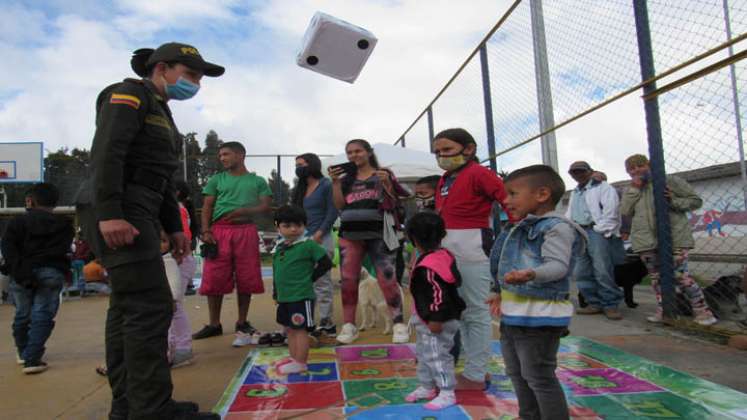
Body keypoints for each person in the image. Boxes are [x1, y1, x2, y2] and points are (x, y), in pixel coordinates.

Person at [81, 42, 223, 419]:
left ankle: (130, 405)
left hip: (140, 205)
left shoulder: (161, 110)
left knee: (129, 308)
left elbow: (160, 176)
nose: (195, 84)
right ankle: (151, 409)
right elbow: (108, 151)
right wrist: (110, 212)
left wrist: (174, 226)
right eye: (191, 74)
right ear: (162, 68)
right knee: (149, 306)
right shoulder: (127, 94)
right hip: (120, 205)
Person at [487, 165, 586, 420]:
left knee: (539, 375)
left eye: (513, 193)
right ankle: (528, 415)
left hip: (541, 317)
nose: (506, 200)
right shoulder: (516, 227)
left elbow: (558, 266)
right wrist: (499, 292)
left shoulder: (556, 227)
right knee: (517, 373)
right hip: (514, 316)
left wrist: (530, 273)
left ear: (542, 194)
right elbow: (504, 266)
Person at [432, 127, 510, 390]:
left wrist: (519, 231)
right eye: (438, 152)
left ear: (469, 149)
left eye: (447, 150)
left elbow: (509, 201)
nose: (441, 156)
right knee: (462, 310)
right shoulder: (445, 179)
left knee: (475, 311)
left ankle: (476, 374)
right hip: (447, 248)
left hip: (472, 246)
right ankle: (474, 368)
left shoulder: (479, 173)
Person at [329, 139, 410, 344]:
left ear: (368, 152)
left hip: (379, 234)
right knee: (348, 280)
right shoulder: (345, 179)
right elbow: (339, 205)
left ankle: (399, 323)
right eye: (349, 152)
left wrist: (387, 183)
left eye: (358, 151)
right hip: (350, 234)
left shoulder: (383, 173)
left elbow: (397, 199)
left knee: (387, 278)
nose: (354, 155)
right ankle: (349, 325)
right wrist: (336, 183)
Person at [620, 154, 717, 326]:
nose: (636, 171)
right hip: (646, 240)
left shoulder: (670, 181)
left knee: (680, 275)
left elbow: (695, 201)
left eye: (639, 166)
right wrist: (635, 189)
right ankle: (665, 309)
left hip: (675, 237)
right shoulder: (630, 189)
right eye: (631, 169)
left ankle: (702, 311)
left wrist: (673, 200)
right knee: (656, 278)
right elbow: (625, 210)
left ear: (648, 165)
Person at [194, 141, 272, 345]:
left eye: (226, 154)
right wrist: (206, 230)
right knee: (214, 277)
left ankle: (242, 321)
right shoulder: (216, 180)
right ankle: (214, 324)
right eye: (220, 155)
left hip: (246, 231)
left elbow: (265, 206)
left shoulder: (258, 181)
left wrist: (244, 211)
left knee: (247, 276)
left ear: (240, 155)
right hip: (220, 231)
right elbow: (207, 206)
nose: (222, 158)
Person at [1, 183, 74, 374]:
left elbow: (8, 249)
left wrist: (19, 269)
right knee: (43, 313)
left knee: (22, 314)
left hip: (21, 271)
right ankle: (32, 358)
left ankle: (23, 352)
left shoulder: (16, 223)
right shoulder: (64, 225)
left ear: (30, 200)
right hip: (51, 270)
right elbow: (63, 251)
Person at [404, 212, 466, 410]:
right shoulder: (443, 256)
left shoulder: (429, 266)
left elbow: (438, 294)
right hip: (426, 318)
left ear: (413, 239)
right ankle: (427, 386)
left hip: (437, 320)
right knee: (424, 353)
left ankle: (447, 391)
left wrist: (436, 318)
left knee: (438, 355)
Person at [270, 206, 332, 374]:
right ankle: (293, 358)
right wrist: (276, 293)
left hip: (301, 296)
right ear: (278, 227)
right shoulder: (279, 248)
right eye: (287, 225)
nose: (293, 229)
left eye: (298, 224)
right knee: (289, 329)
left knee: (300, 330)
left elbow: (326, 262)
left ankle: (300, 361)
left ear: (304, 225)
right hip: (285, 298)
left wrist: (310, 277)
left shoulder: (308, 245)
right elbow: (277, 273)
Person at [565, 161, 625, 320]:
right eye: (574, 173)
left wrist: (601, 229)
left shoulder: (603, 187)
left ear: (590, 171)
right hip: (579, 232)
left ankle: (610, 304)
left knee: (602, 269)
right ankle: (594, 302)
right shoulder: (575, 191)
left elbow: (611, 210)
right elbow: (570, 212)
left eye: (581, 171)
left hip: (595, 230)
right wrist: (570, 229)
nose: (578, 175)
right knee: (581, 271)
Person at [292, 153, 338, 337]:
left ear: (312, 165)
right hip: (301, 239)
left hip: (321, 238)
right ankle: (307, 321)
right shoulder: (299, 188)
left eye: (301, 164)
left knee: (322, 282)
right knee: (304, 283)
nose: (297, 168)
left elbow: (332, 211)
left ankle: (327, 323)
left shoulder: (326, 185)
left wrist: (319, 233)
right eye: (296, 165)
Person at [175, 181, 200, 295]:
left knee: (175, 302)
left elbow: (184, 235)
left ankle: (187, 285)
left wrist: (181, 251)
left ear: (176, 193)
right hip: (183, 256)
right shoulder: (181, 208)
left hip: (182, 256)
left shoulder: (178, 209)